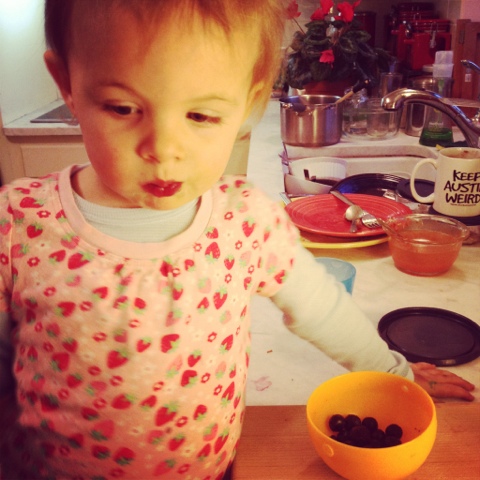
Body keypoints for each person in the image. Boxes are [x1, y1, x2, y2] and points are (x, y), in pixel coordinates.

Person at [0, 1, 475, 478]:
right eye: (123, 108)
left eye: (201, 115)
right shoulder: (18, 223)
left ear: (249, 103)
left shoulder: (244, 219)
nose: (164, 149)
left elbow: (322, 308)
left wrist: (393, 371)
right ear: (67, 84)